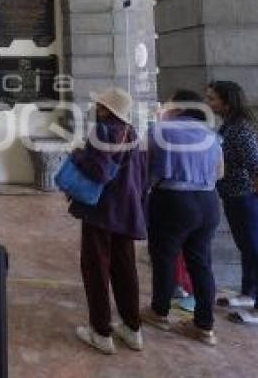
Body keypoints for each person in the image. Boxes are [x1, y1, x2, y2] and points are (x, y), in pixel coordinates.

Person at [71, 88, 148, 354]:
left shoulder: (101, 131)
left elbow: (99, 172)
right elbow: (141, 173)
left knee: (96, 268)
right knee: (126, 268)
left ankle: (101, 331)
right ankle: (132, 328)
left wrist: (77, 155)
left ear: (106, 109)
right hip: (127, 209)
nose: (96, 108)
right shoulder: (133, 132)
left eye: (99, 104)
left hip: (101, 210)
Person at [143, 90, 224, 345]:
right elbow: (220, 172)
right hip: (208, 202)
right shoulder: (212, 135)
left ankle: (159, 312)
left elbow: (145, 168)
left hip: (173, 200)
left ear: (177, 107)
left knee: (165, 257)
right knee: (201, 263)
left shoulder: (160, 130)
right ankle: (204, 326)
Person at [205, 81, 258, 326]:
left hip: (247, 198)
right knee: (247, 248)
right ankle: (249, 294)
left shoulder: (241, 130)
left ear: (228, 103)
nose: (209, 103)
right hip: (235, 197)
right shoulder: (231, 126)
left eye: (213, 99)